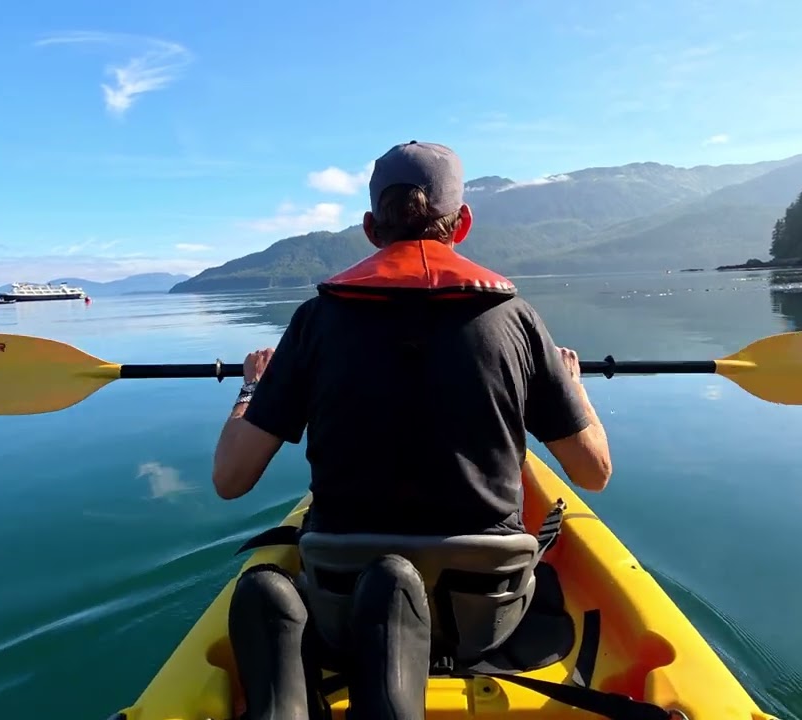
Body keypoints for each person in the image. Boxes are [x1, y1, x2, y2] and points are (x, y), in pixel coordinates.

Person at [213, 140, 612, 720]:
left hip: (340, 608)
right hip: (480, 619)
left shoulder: (315, 322)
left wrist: (253, 388)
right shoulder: (517, 320)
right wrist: (570, 386)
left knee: (278, 588)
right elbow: (593, 472)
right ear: (465, 223)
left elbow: (230, 479)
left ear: (372, 228)